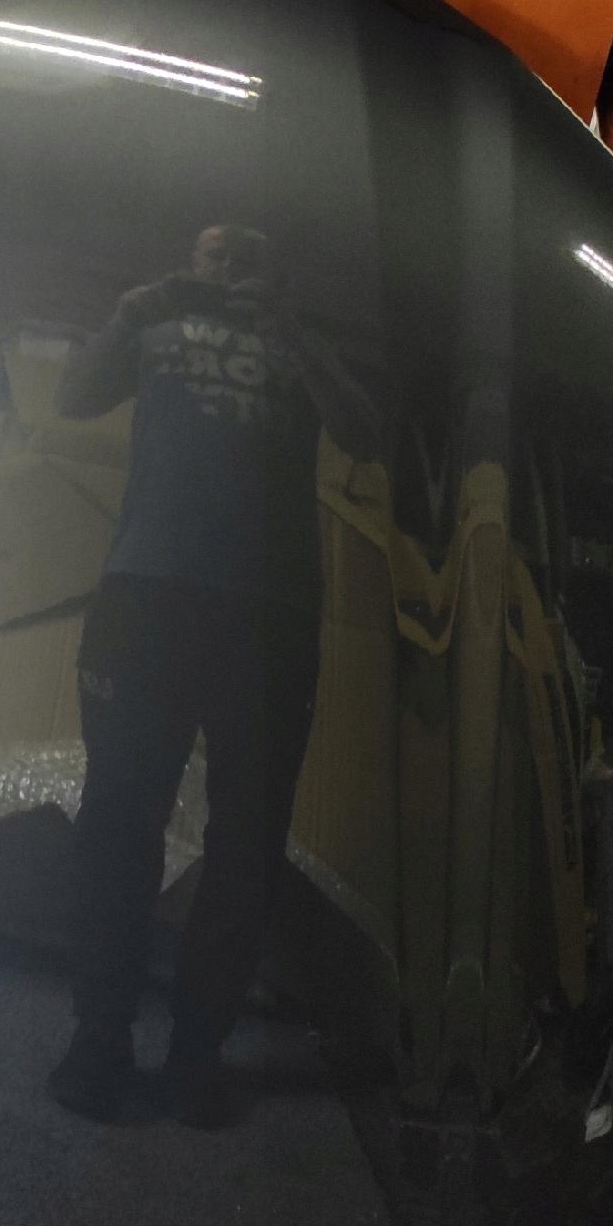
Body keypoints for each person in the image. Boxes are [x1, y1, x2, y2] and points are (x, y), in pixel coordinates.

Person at [48, 223, 371, 1127]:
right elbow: (73, 398)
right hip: (146, 601)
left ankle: (197, 1055)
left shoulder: (305, 341)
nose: (229, 269)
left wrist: (295, 332)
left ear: (276, 273)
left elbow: (368, 436)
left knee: (247, 840)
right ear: (189, 263)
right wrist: (127, 314)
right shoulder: (151, 325)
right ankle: (99, 1040)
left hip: (269, 615)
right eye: (214, 255)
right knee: (119, 821)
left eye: (248, 258)